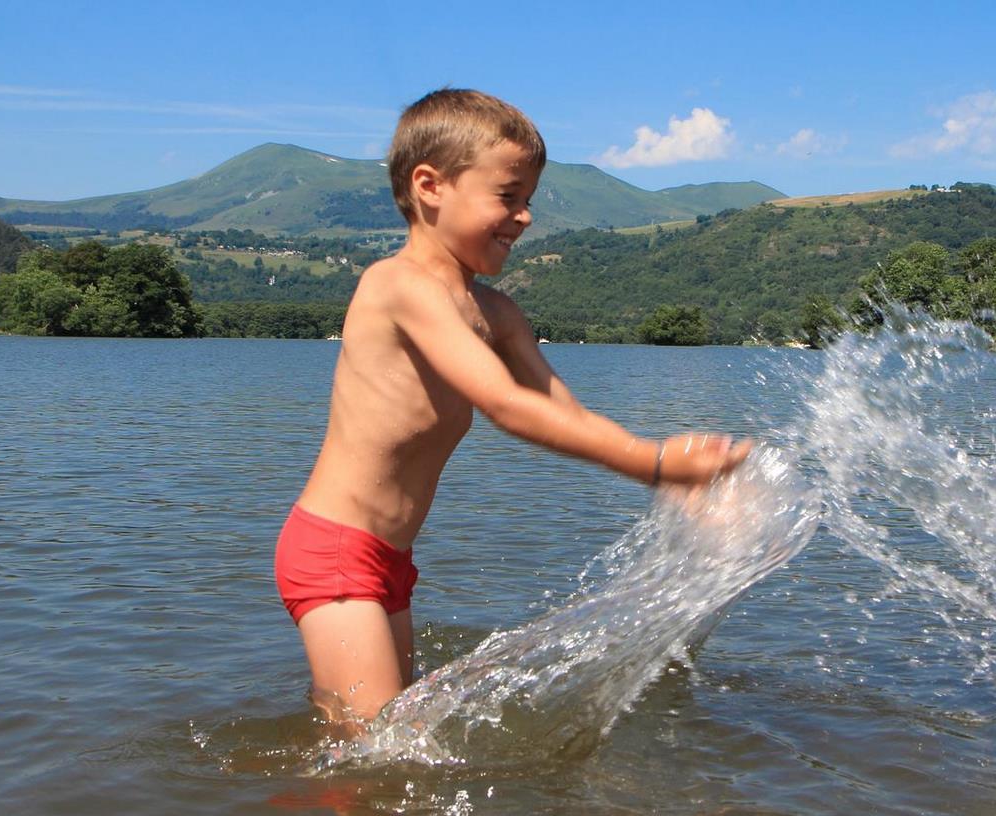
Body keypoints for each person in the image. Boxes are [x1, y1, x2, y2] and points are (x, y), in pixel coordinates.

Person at [276, 88, 750, 725]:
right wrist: (651, 463)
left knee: (378, 736)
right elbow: (503, 402)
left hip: (390, 559)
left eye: (528, 200)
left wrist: (676, 480)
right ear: (430, 186)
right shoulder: (397, 286)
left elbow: (563, 410)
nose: (524, 217)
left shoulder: (497, 313)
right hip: (334, 550)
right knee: (374, 751)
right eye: (507, 196)